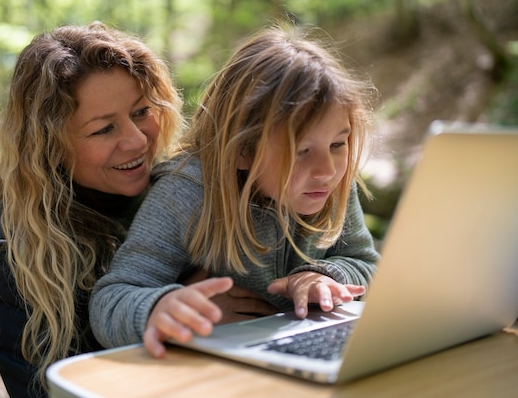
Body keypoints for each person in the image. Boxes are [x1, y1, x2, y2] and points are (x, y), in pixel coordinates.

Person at [0, 22, 276, 398]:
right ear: (49, 146)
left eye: (141, 111)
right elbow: (44, 391)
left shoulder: (183, 192)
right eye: (103, 130)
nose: (137, 140)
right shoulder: (20, 246)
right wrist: (176, 321)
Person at [89, 24, 381, 358]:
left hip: (295, 356)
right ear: (242, 150)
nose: (327, 170)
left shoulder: (331, 185)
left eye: (338, 143)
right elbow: (110, 301)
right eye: (301, 151)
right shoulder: (185, 195)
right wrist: (160, 308)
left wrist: (324, 276)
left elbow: (365, 262)